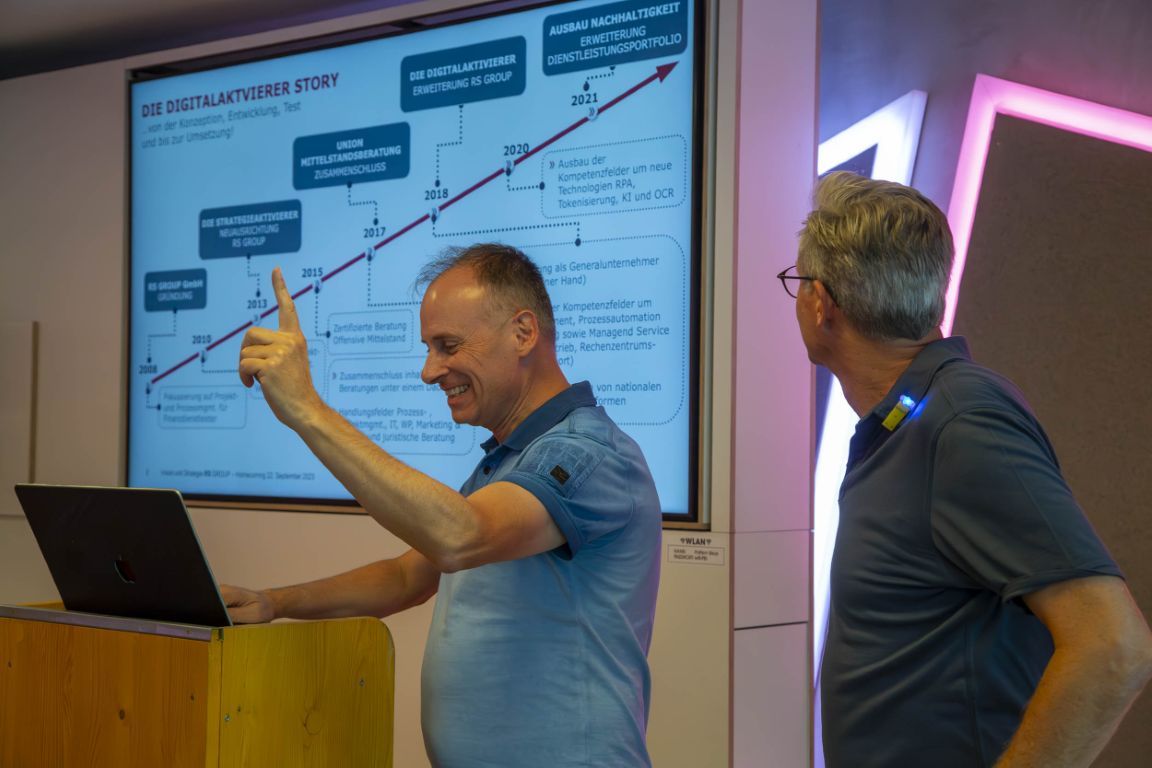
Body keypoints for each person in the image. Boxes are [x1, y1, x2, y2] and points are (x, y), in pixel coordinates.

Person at [225, 243, 662, 767]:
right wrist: (274, 602)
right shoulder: (509, 463)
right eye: (429, 348)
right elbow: (405, 577)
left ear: (523, 333)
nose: (430, 371)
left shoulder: (588, 454)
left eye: (448, 345)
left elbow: (460, 536)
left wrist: (308, 410)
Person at [783, 172, 1152, 767]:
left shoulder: (961, 422)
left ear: (821, 303)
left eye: (797, 282)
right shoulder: (914, 419)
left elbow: (1114, 645)